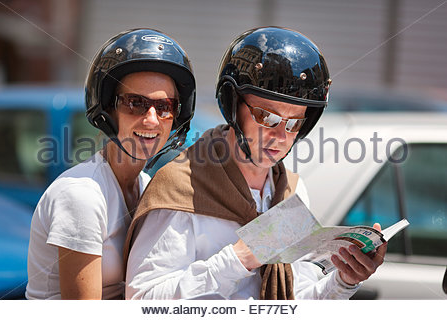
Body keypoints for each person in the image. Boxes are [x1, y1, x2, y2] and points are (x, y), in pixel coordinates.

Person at [124, 27, 387, 300]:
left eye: (294, 122)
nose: (280, 136)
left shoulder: (291, 191)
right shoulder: (181, 187)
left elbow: (293, 299)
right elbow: (142, 299)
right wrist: (238, 259)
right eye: (268, 117)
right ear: (233, 105)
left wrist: (343, 281)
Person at [25, 28, 196, 300]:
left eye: (164, 106)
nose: (152, 120)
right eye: (135, 103)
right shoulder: (82, 194)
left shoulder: (147, 187)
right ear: (108, 110)